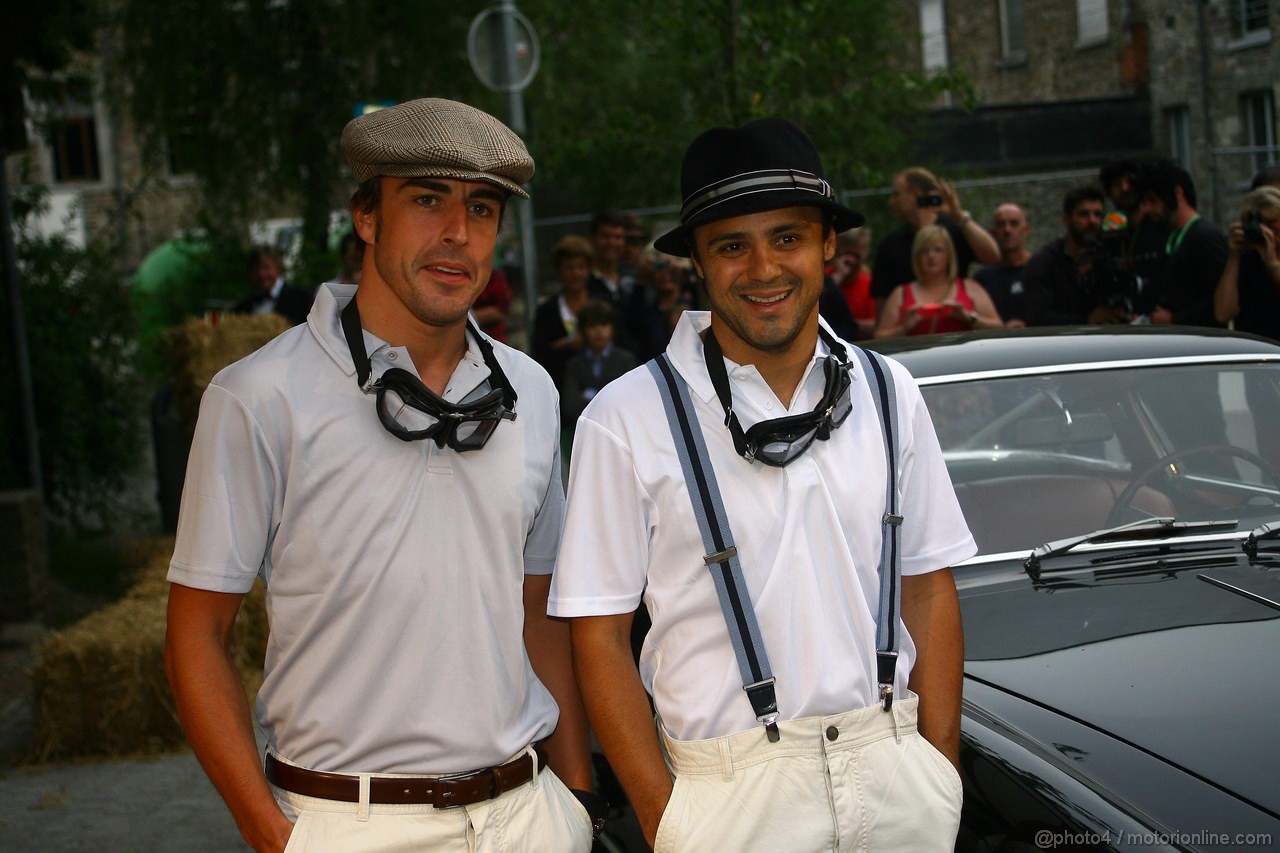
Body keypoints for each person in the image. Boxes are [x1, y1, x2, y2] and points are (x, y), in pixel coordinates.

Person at [164, 98, 596, 853]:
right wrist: (269, 831)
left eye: (483, 207)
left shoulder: (530, 390)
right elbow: (197, 633)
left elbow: (540, 611)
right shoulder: (259, 396)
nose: (458, 233)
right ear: (366, 217)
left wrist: (581, 802)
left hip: (529, 818)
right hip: (348, 822)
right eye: (427, 200)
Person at [550, 117, 974, 851]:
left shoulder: (889, 389)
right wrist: (665, 819)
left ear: (826, 245)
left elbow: (929, 586)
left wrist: (939, 770)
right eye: (731, 245)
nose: (763, 268)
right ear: (699, 264)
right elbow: (598, 635)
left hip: (896, 772)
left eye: (787, 237)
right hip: (729, 795)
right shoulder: (626, 417)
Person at [871, 166, 999, 316]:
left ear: (916, 194)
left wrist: (958, 215)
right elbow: (882, 301)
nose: (891, 202)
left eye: (896, 194)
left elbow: (992, 256)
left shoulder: (954, 231)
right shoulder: (891, 244)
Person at [1137, 159, 1227, 328]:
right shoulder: (1172, 236)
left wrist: (1176, 320)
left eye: (1153, 200)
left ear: (1177, 193)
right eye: (1144, 202)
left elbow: (1222, 300)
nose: (1147, 209)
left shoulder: (1203, 237)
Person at [1023, 186, 1129, 326]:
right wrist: (1087, 319)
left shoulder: (1113, 256)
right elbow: (1037, 317)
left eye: (1098, 215)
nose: (1092, 221)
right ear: (1067, 219)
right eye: (1084, 214)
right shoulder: (1045, 262)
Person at [874, 225, 1003, 338]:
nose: (931, 256)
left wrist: (969, 317)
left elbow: (999, 327)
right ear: (916, 256)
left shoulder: (969, 288)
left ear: (949, 255)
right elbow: (879, 336)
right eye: (925, 251)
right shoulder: (901, 293)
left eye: (938, 250)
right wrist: (904, 327)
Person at [1098, 159, 1168, 317]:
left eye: (1129, 181)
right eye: (1117, 184)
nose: (1125, 188)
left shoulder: (1159, 226)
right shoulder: (1111, 233)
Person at [1214, 186, 1280, 340]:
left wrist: (1272, 264)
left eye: (1271, 224)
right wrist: (1234, 257)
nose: (1265, 231)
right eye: (1259, 225)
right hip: (1255, 351)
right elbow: (1223, 314)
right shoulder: (1247, 260)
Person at [560, 299, 636, 431]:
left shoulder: (626, 360)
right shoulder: (574, 365)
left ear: (613, 328)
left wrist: (587, 395)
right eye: (591, 326)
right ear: (583, 330)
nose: (598, 331)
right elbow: (570, 408)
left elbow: (630, 403)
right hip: (583, 431)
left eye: (604, 324)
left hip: (619, 430)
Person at [533, 235, 594, 389]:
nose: (575, 273)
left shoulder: (602, 303)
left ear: (589, 270)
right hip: (561, 388)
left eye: (581, 267)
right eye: (569, 267)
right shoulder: (547, 310)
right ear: (558, 271)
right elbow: (540, 354)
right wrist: (570, 344)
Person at [973, 203, 1032, 327]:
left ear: (1026, 230)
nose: (1007, 230)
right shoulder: (983, 278)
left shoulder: (1041, 269)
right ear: (992, 232)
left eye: (1014, 224)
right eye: (1001, 224)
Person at [232, 245, 315, 326]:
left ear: (278, 269)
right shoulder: (244, 307)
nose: (261, 274)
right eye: (256, 269)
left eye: (266, 268)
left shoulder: (301, 297)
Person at [827, 226, 876, 339]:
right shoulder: (824, 280)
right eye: (846, 255)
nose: (852, 261)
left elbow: (876, 326)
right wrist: (837, 278)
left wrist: (847, 324)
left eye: (856, 256)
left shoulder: (869, 284)